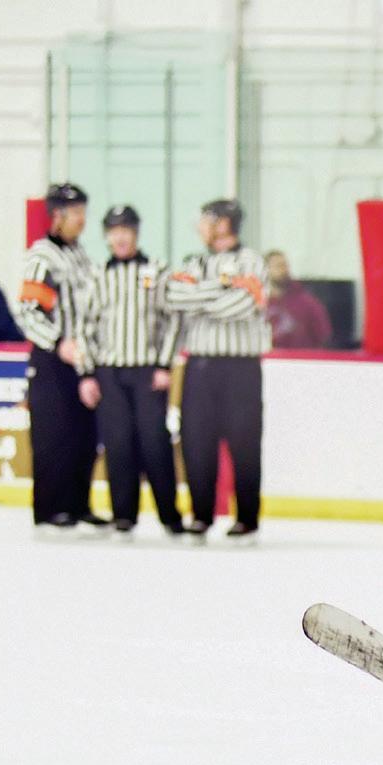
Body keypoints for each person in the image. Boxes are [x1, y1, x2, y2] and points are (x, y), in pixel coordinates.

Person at [164, 198, 270, 538]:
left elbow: (242, 304)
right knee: (196, 441)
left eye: (205, 220)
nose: (199, 227)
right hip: (200, 367)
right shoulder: (193, 261)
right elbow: (173, 296)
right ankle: (201, 515)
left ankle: (247, 517)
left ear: (223, 224)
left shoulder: (251, 261)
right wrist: (223, 288)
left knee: (244, 443)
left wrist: (200, 297)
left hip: (240, 368)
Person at [87, 205, 185, 534]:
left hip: (147, 370)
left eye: (126, 230)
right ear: (106, 236)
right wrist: (88, 371)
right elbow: (87, 325)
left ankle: (169, 515)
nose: (120, 237)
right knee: (118, 443)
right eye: (114, 231)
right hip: (110, 370)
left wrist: (164, 364)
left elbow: (172, 320)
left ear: (136, 233)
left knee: (155, 442)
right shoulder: (98, 274)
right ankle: (123, 514)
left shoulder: (156, 270)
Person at [16, 182, 105, 530]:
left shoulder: (81, 256)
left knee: (84, 436)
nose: (82, 219)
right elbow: (29, 311)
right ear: (57, 215)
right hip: (52, 362)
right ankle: (51, 509)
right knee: (53, 436)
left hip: (81, 362)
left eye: (83, 212)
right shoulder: (42, 256)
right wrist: (57, 342)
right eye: (76, 213)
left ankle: (78, 504)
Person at [263, 251, 331, 350]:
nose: (284, 270)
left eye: (285, 265)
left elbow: (324, 337)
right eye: (278, 266)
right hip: (267, 358)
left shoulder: (308, 303)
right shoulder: (256, 304)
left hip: (300, 358)